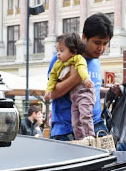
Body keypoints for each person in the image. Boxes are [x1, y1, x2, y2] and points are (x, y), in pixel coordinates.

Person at [48, 13, 113, 141]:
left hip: (97, 127)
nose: (101, 48)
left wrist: (111, 91)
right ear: (84, 37)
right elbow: (52, 93)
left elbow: (89, 90)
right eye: (97, 42)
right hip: (68, 131)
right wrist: (75, 78)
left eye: (105, 43)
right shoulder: (64, 56)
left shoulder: (96, 61)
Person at [45, 33, 95, 140]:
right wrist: (49, 89)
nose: (58, 54)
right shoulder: (57, 63)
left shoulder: (78, 58)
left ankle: (89, 135)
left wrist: (86, 78)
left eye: (61, 50)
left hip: (84, 92)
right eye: (57, 50)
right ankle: (81, 139)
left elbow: (82, 68)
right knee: (76, 121)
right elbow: (52, 77)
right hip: (73, 99)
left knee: (85, 114)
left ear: (73, 51)